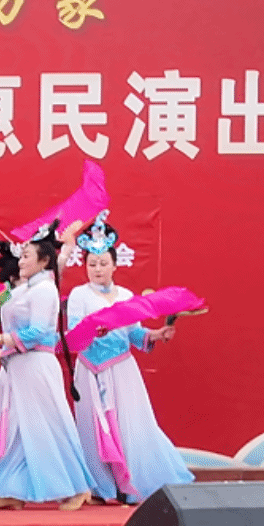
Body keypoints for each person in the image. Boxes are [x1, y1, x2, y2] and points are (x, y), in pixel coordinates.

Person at [65, 211, 192, 504]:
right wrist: (94, 331)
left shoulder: (126, 296)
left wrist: (157, 334)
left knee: (131, 425)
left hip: (121, 369)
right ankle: (102, 487)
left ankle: (132, 484)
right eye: (91, 264)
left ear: (114, 265)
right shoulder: (78, 295)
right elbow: (73, 334)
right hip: (89, 369)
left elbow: (135, 334)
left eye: (103, 263)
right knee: (92, 429)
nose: (97, 269)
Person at [0, 222, 97, 510]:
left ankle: (77, 487)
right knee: (17, 429)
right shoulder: (22, 290)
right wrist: (1, 349)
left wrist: (2, 339)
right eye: (21, 256)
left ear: (44, 261)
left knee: (50, 425)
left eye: (27, 256)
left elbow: (40, 331)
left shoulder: (45, 290)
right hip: (17, 365)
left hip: (37, 366)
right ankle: (14, 489)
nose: (21, 261)